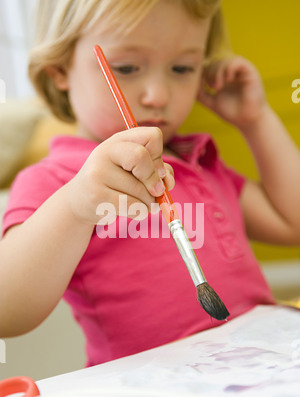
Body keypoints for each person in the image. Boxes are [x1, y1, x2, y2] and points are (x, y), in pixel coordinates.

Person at [1, 0, 300, 367]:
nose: (158, 95)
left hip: (257, 375)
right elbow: (7, 312)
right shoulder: (59, 181)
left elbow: (294, 223)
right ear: (58, 72)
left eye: (182, 67)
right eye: (126, 68)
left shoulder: (199, 163)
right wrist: (76, 206)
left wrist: (256, 120)